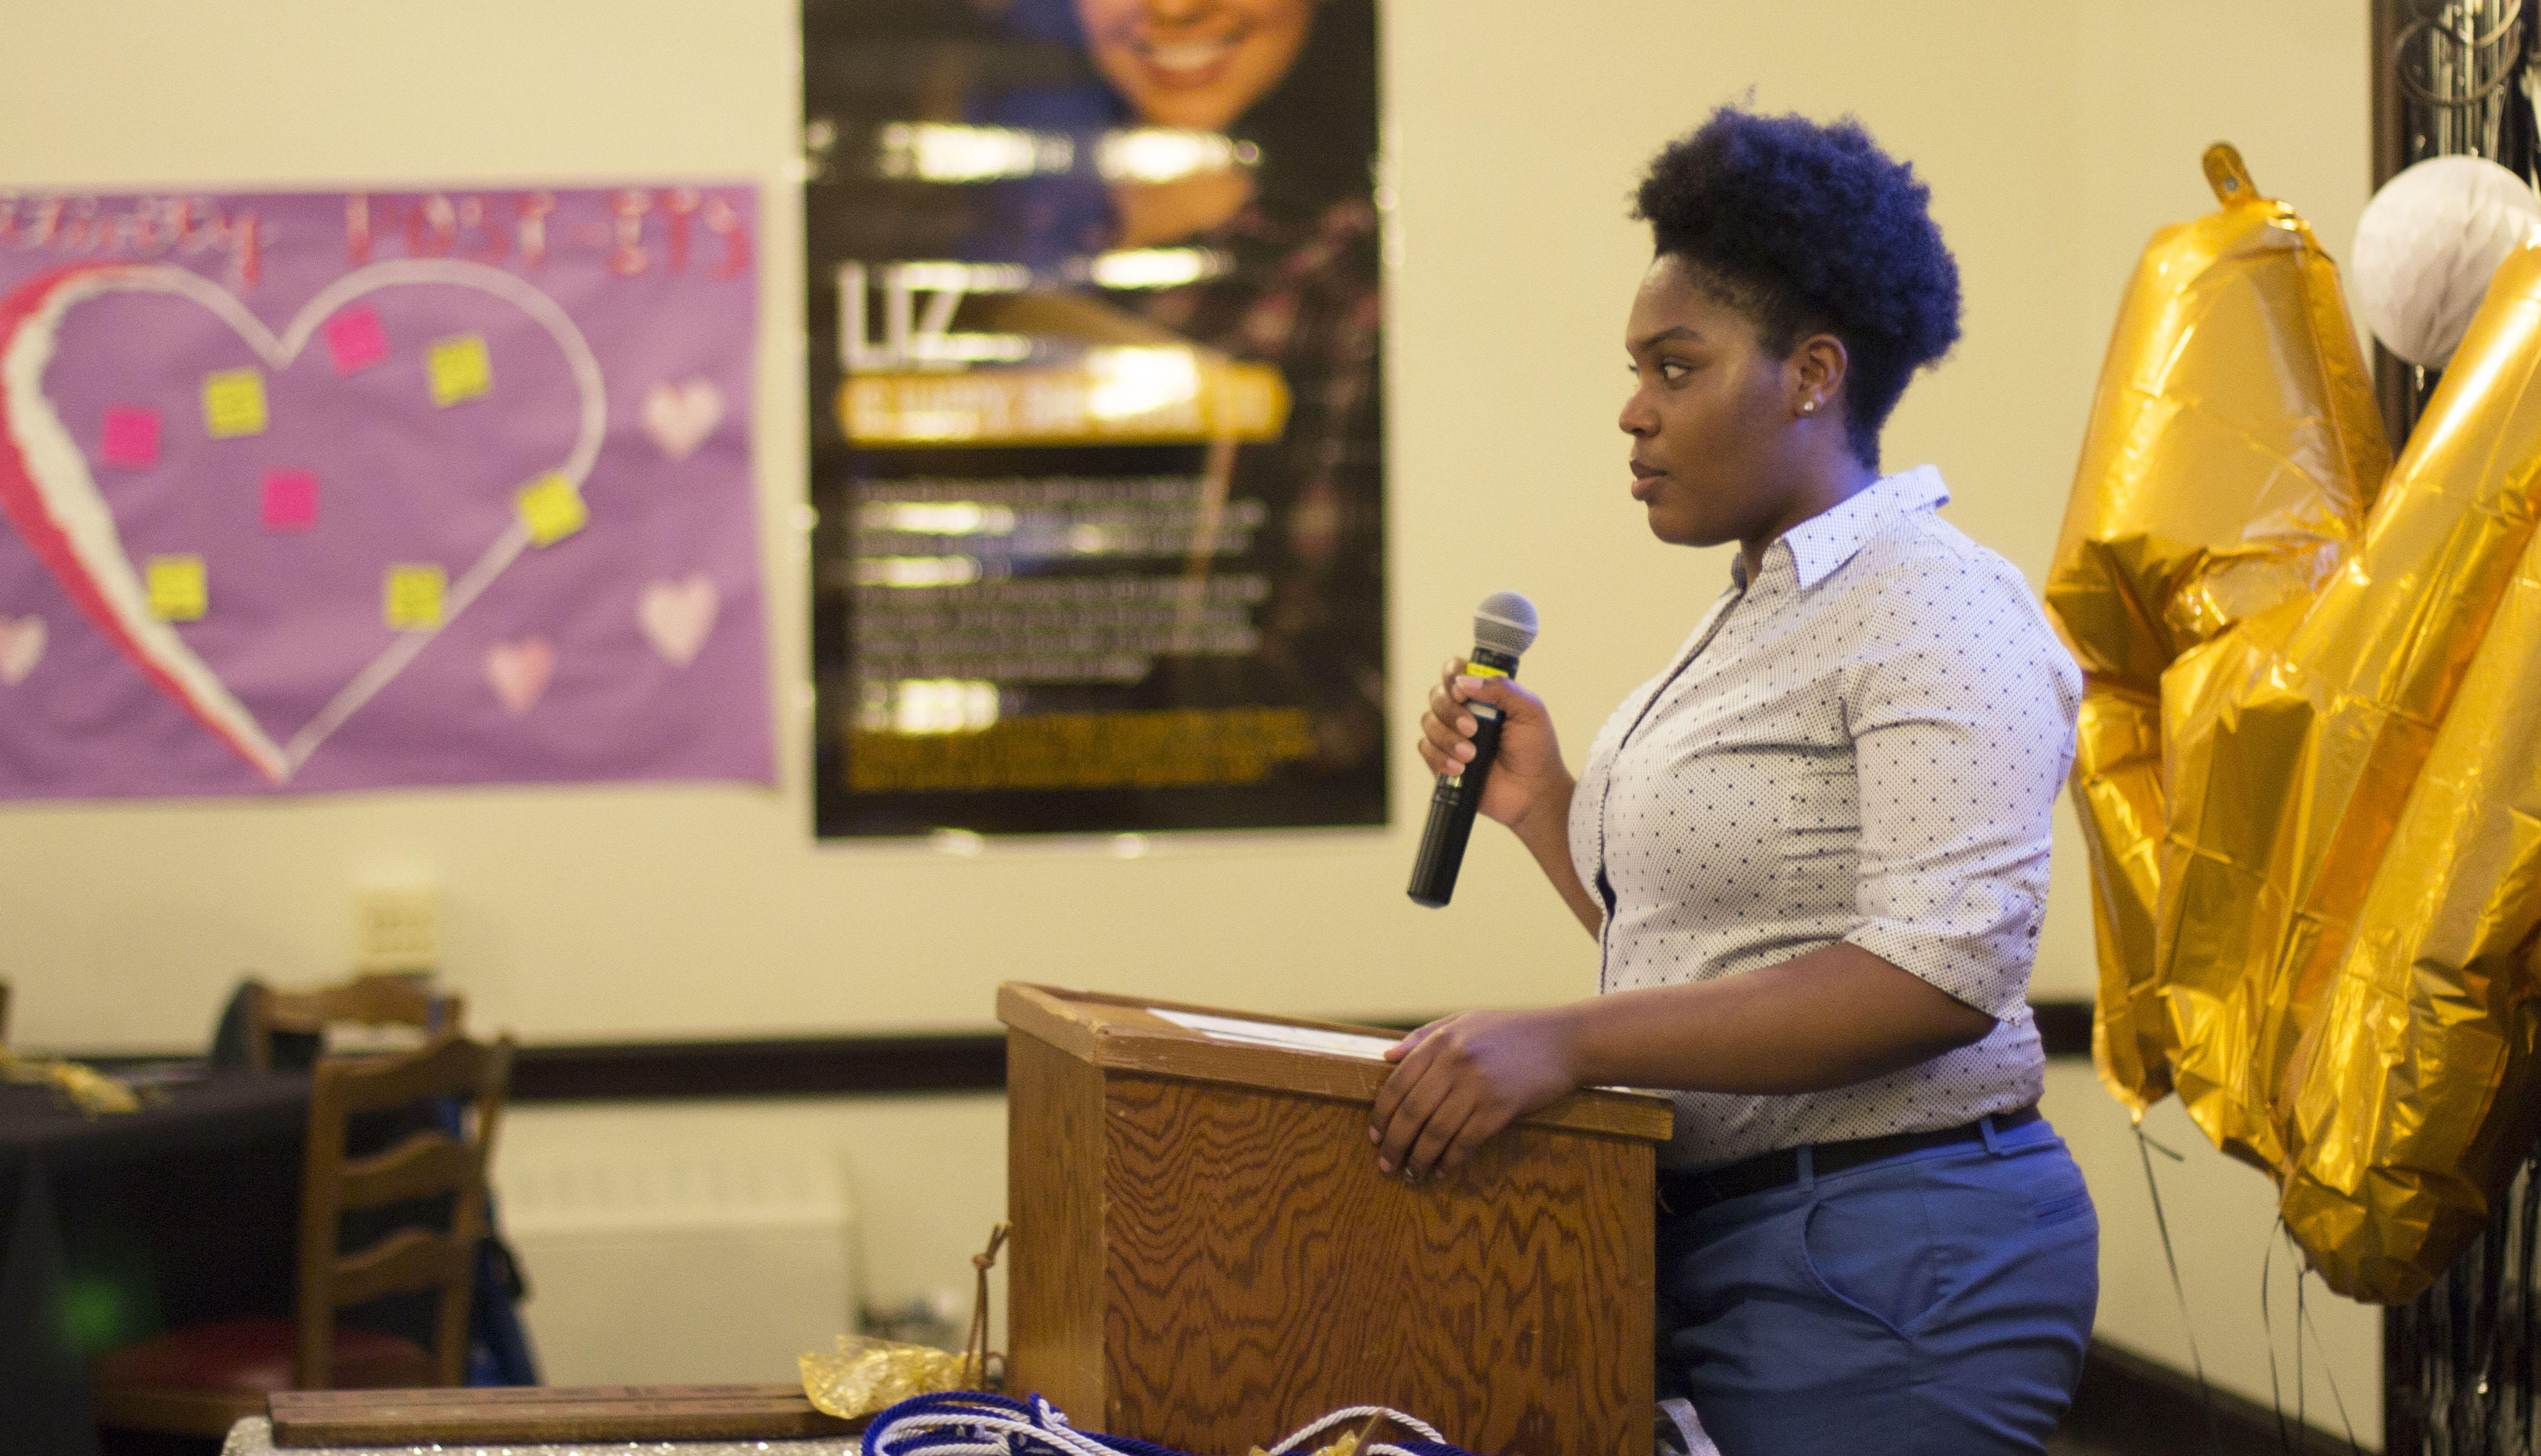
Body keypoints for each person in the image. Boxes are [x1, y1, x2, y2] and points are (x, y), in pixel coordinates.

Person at [1368, 108, 2096, 1455]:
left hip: (1895, 1256)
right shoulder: (1762, 606)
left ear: (1813, 373)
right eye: (1638, 368)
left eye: (1675, 366)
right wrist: (1544, 811)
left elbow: (1935, 978)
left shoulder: (1936, 606)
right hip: (1736, 1236)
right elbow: (1724, 964)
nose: (1633, 408)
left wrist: (1564, 1042)